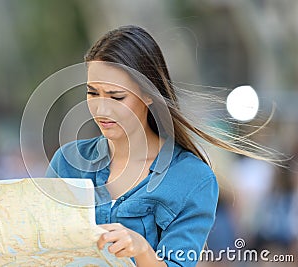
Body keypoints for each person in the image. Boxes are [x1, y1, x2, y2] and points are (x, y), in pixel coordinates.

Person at [45, 25, 280, 266]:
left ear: (149, 94)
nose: (101, 109)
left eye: (116, 96)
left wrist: (142, 250)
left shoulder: (193, 179)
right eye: (93, 93)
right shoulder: (67, 162)